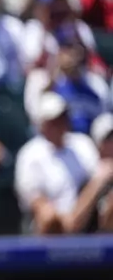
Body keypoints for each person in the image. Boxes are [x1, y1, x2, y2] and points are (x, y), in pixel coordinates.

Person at [15, 92, 113, 234]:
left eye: (62, 117)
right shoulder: (30, 154)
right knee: (50, 218)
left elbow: (102, 175)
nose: (60, 124)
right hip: (50, 227)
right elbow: (38, 205)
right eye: (53, 120)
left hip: (88, 217)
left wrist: (78, 212)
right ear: (42, 124)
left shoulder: (81, 144)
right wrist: (68, 219)